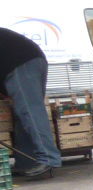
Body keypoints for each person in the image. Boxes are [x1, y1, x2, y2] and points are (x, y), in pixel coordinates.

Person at [0, 26, 61, 180]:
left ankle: (49, 158)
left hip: (21, 63)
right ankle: (26, 162)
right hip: (28, 61)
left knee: (30, 111)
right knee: (23, 115)